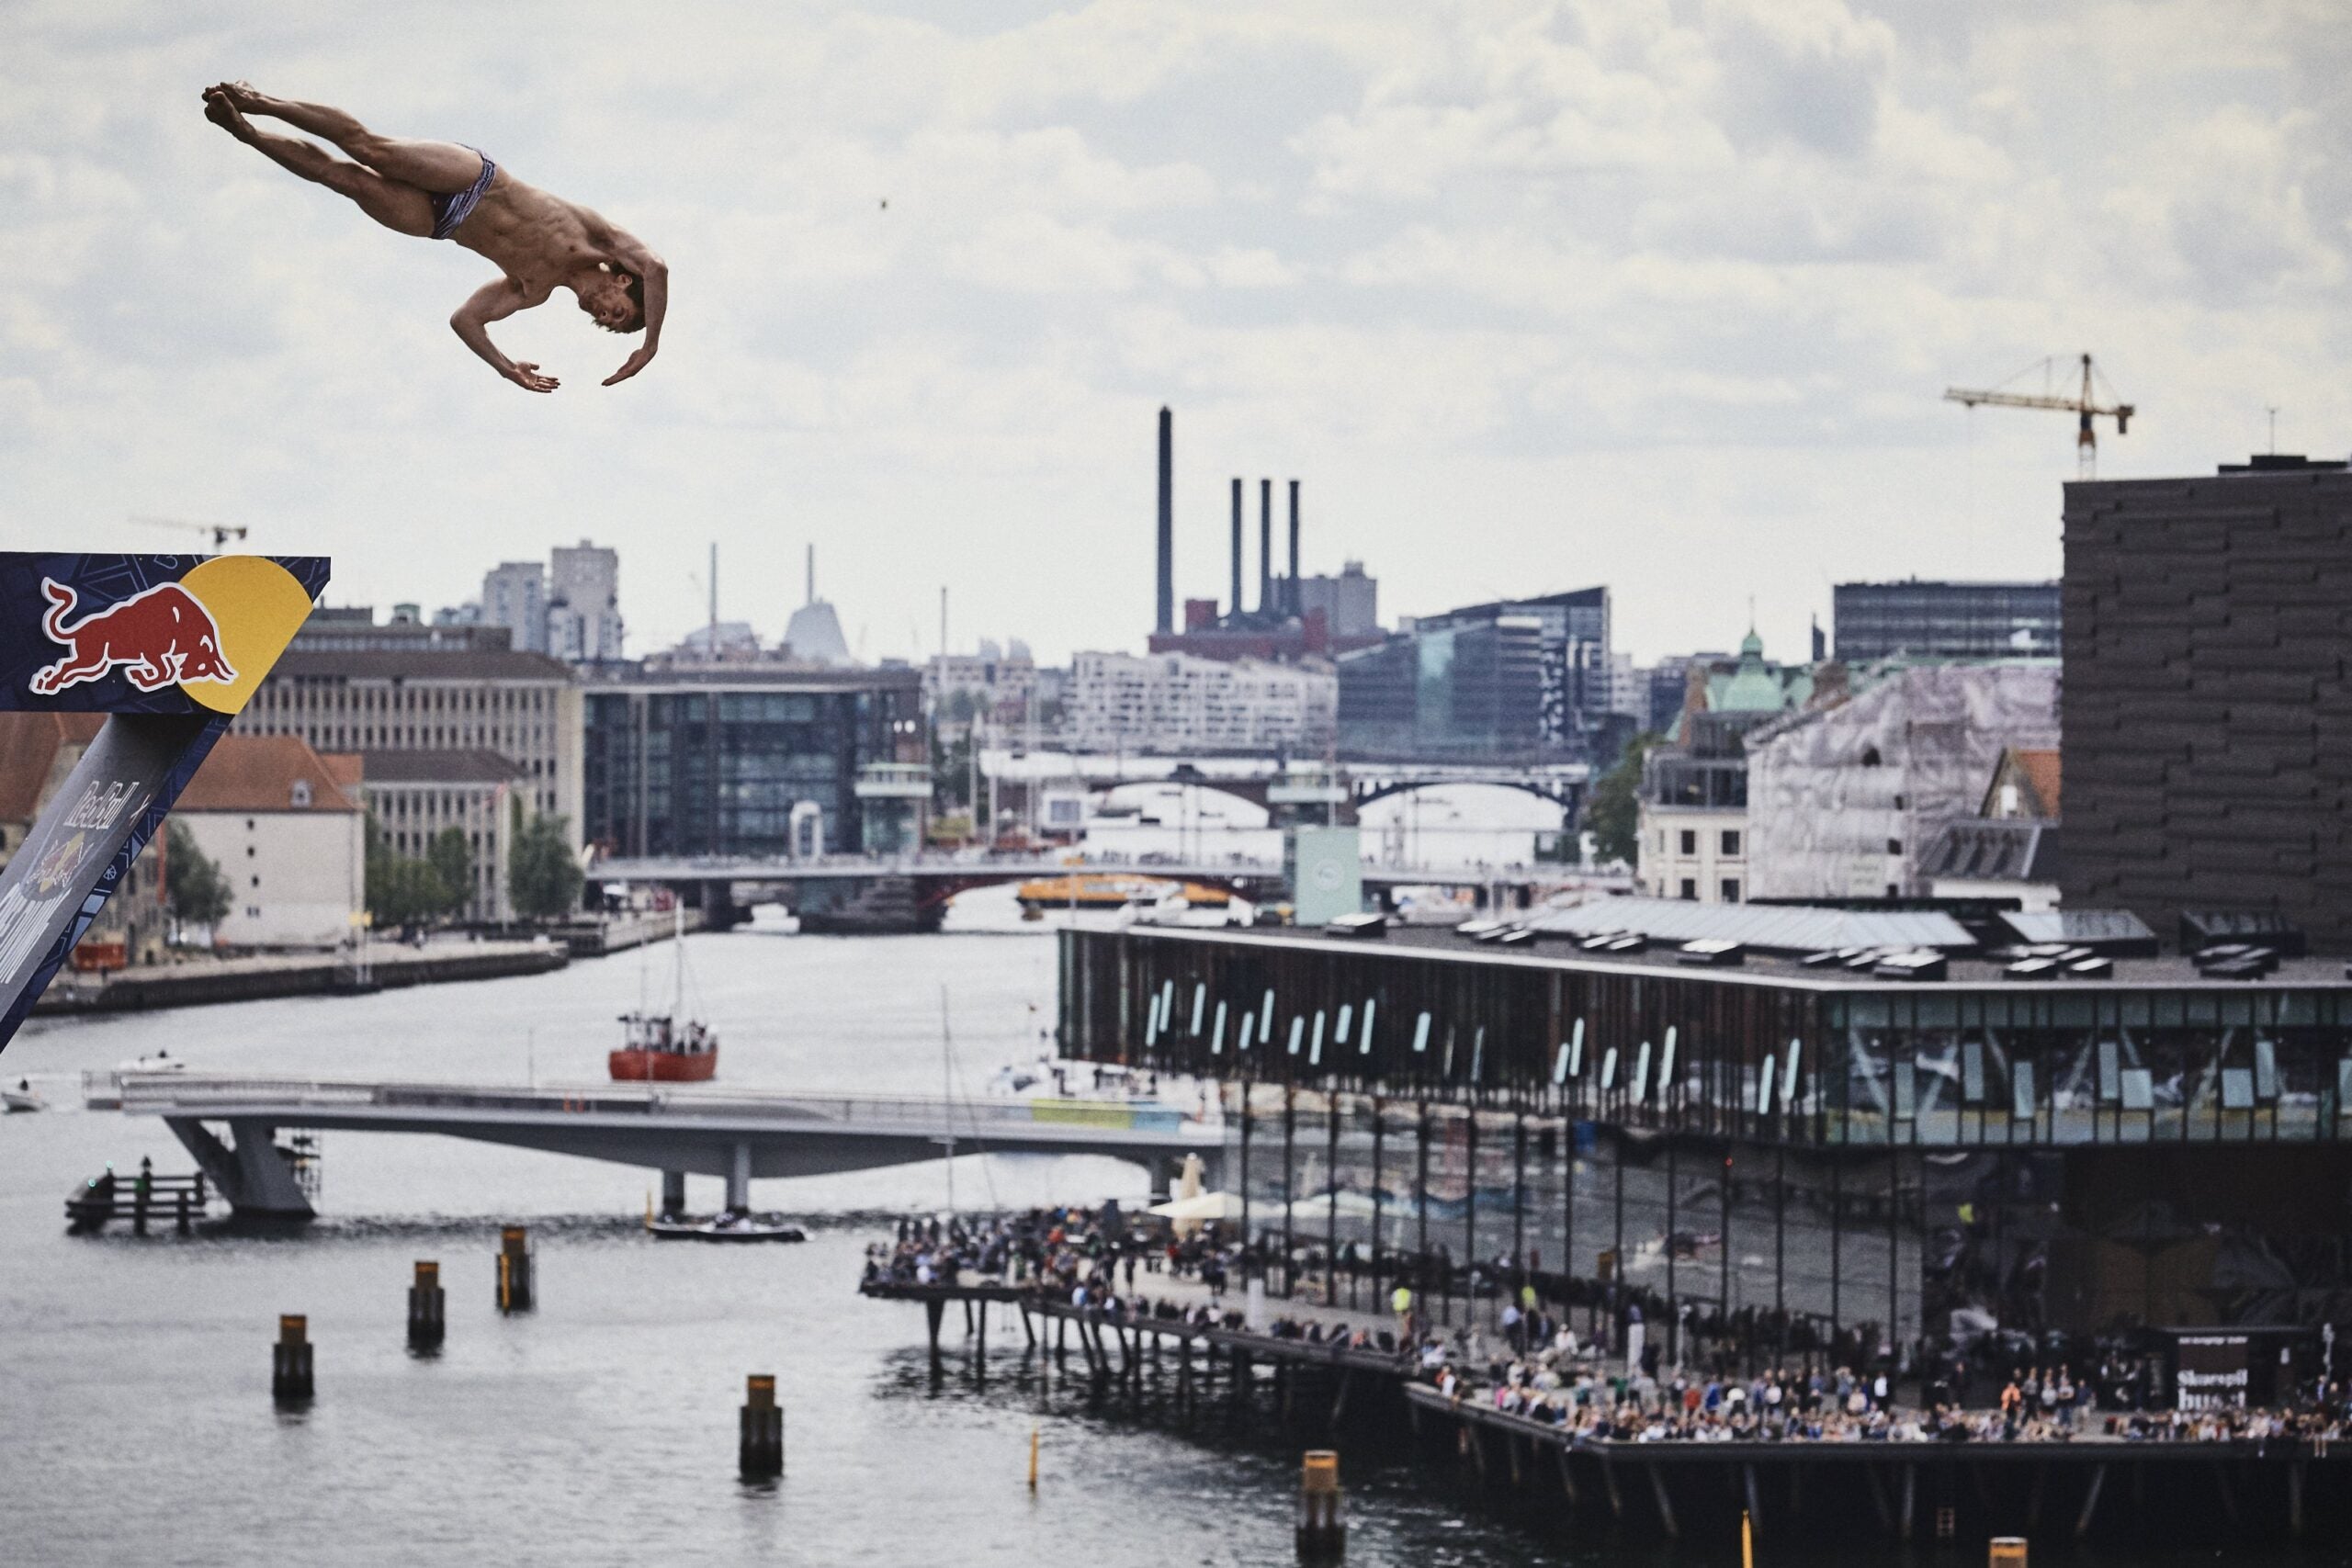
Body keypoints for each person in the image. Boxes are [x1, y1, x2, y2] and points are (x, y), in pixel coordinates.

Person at [200, 82, 666, 392]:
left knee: (344, 179)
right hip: (476, 181)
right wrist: (648, 346)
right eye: (618, 312)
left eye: (608, 323)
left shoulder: (532, 290)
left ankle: (246, 132)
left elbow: (465, 321)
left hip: (441, 224)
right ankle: (260, 102)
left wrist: (507, 368)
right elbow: (657, 267)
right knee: (369, 149)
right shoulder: (598, 238)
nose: (604, 316)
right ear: (623, 282)